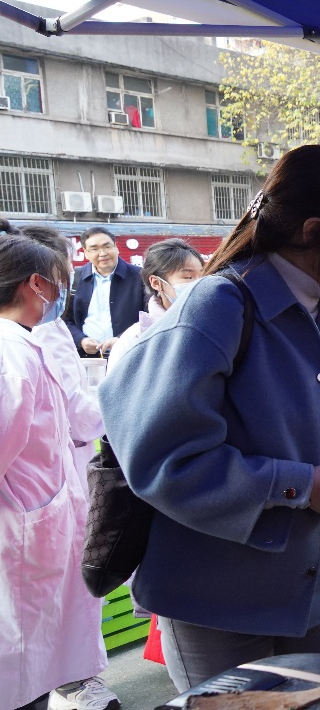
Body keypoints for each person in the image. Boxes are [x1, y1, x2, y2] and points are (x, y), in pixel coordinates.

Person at [98, 145, 320, 691]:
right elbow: (163, 457)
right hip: (217, 601)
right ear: (314, 229)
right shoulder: (216, 307)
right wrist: (304, 486)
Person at [6, 226, 116, 710]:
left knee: (37, 658)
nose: (62, 293)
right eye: (58, 280)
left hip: (40, 515)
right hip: (21, 528)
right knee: (21, 670)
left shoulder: (24, 343)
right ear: (36, 284)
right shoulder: (12, 355)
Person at [106, 238, 204, 367]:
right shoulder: (134, 339)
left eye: (203, 276)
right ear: (156, 283)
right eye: (188, 277)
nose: (198, 283)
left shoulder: (216, 327)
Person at [62, 227, 146, 358]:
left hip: (128, 353)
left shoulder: (140, 276)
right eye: (94, 249)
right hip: (87, 356)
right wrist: (81, 340)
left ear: (116, 248)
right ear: (86, 253)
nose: (102, 253)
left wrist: (122, 340)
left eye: (107, 246)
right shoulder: (76, 277)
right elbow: (64, 319)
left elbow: (148, 317)